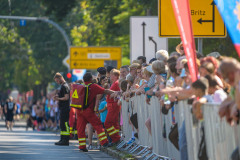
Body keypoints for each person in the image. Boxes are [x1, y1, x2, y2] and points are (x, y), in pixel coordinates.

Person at [73, 72, 116, 152]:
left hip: (79, 110)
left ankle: (82, 147)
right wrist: (116, 92)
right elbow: (105, 91)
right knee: (98, 125)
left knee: (81, 128)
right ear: (90, 79)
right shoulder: (93, 86)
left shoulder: (80, 86)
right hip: (88, 110)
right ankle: (104, 143)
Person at [105, 69, 121, 146]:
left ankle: (116, 138)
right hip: (111, 105)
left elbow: (116, 94)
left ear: (115, 76)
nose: (110, 76)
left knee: (107, 123)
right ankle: (116, 139)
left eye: (111, 75)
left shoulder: (116, 83)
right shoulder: (115, 83)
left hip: (113, 105)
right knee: (114, 123)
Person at [53, 72, 70, 146]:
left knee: (65, 124)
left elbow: (66, 97)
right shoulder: (62, 86)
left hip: (65, 108)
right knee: (62, 124)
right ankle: (62, 139)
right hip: (62, 108)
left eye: (57, 81)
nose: (57, 82)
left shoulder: (65, 86)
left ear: (60, 78)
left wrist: (58, 99)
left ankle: (65, 140)